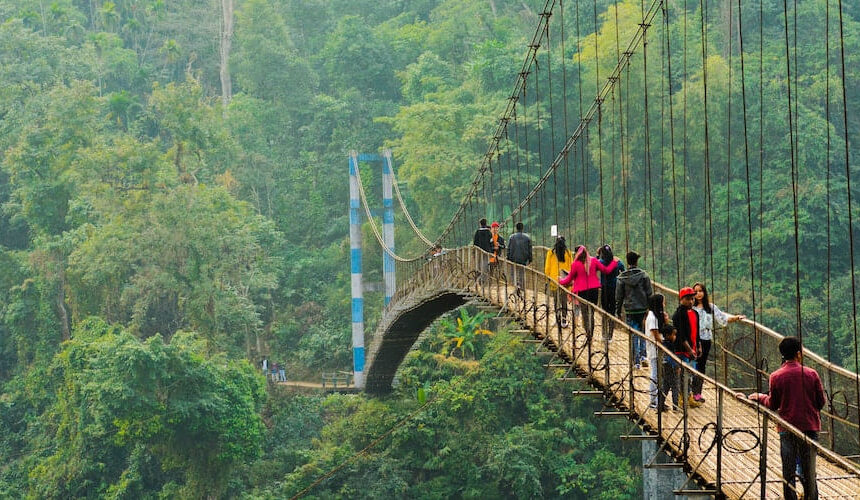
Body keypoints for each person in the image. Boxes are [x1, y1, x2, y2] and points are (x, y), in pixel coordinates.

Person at [748, 337, 826, 500]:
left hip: (787, 428)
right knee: (809, 471)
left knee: (788, 470)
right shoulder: (812, 374)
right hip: (809, 428)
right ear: (799, 354)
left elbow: (773, 404)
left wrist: (760, 397)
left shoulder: (776, 376)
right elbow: (821, 402)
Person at [690, 282, 746, 403]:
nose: (698, 294)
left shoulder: (710, 307)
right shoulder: (691, 307)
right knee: (690, 364)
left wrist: (736, 318)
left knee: (701, 365)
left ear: (704, 292)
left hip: (705, 339)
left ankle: (697, 393)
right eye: (696, 291)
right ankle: (689, 392)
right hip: (692, 339)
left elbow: (722, 319)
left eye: (700, 291)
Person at [559, 246, 619, 339]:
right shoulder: (594, 261)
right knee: (591, 312)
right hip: (594, 290)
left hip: (582, 291)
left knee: (585, 313)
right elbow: (606, 271)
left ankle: (588, 333)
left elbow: (568, 279)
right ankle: (591, 331)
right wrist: (614, 262)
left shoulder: (575, 264)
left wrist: (560, 281)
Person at [615, 251, 653, 368]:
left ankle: (635, 362)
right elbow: (649, 293)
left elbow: (619, 296)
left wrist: (618, 311)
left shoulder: (622, 278)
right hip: (643, 309)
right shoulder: (644, 275)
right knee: (642, 332)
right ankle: (643, 356)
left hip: (630, 310)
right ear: (636, 261)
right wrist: (650, 308)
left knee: (633, 334)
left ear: (627, 261)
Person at [671, 287, 702, 408]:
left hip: (692, 349)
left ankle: (688, 397)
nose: (691, 301)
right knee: (683, 375)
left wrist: (698, 346)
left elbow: (697, 332)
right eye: (688, 299)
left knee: (689, 375)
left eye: (692, 299)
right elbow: (681, 335)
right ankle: (681, 398)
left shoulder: (695, 313)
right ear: (682, 299)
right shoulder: (678, 315)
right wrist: (690, 350)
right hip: (682, 350)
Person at [597, 245, 625, 341]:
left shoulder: (601, 262)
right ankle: (610, 335)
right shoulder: (618, 262)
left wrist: (597, 255)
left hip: (604, 289)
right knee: (612, 311)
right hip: (614, 289)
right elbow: (623, 271)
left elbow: (595, 265)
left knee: (604, 311)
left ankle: (604, 334)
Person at [645, 293, 668, 408]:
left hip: (656, 349)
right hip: (655, 350)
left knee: (659, 374)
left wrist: (665, 320)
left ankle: (659, 400)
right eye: (663, 302)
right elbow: (656, 336)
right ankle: (653, 400)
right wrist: (666, 345)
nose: (664, 305)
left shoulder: (654, 315)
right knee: (655, 374)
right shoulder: (652, 317)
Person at [545, 236, 573, 327]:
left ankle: (558, 319)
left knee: (556, 301)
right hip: (565, 280)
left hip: (554, 280)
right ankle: (564, 321)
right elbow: (571, 267)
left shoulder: (551, 252)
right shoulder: (568, 253)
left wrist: (547, 278)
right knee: (564, 301)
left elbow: (547, 267)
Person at [658, 323, 680, 411]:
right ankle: (676, 406)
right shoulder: (671, 345)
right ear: (667, 335)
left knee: (665, 386)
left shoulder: (663, 343)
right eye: (673, 334)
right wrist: (677, 367)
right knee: (675, 386)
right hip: (672, 366)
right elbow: (672, 357)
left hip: (664, 365)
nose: (675, 337)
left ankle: (660, 405)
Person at [506, 222, 532, 289]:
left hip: (513, 258)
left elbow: (509, 248)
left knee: (513, 273)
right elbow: (530, 250)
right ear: (522, 228)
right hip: (523, 259)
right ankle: (522, 287)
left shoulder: (512, 237)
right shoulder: (527, 238)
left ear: (516, 228)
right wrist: (530, 259)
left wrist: (508, 257)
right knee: (522, 273)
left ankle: (515, 286)